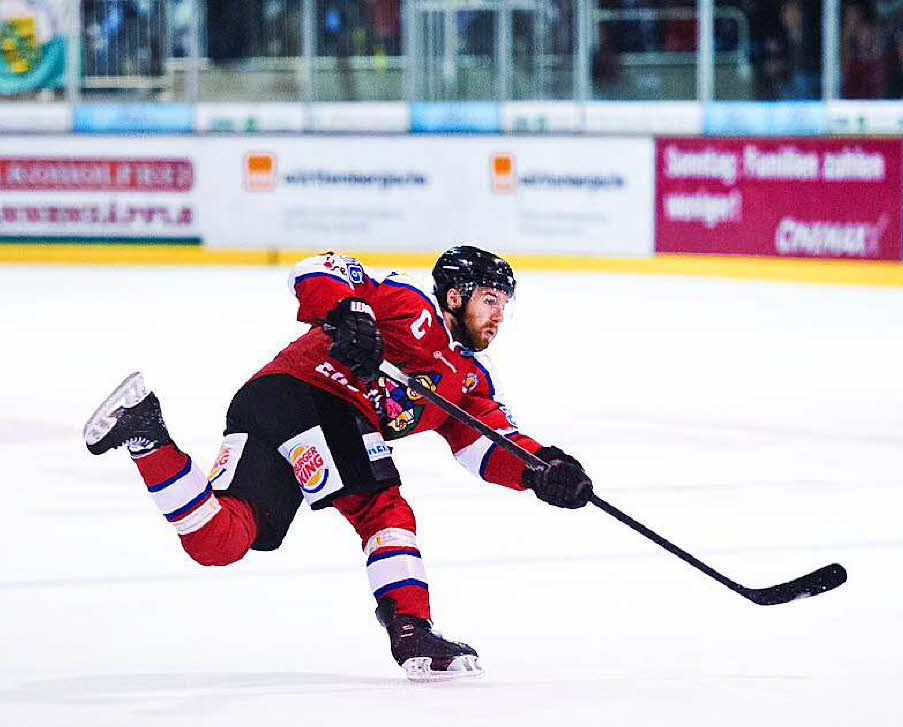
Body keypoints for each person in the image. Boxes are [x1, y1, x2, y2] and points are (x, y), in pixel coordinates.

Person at [82, 246, 594, 682]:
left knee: (220, 539)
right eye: (490, 300)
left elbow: (484, 444)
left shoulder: (467, 382)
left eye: (504, 305)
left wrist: (540, 469)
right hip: (311, 394)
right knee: (380, 507)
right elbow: (316, 268)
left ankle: (145, 433)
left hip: (266, 406)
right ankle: (412, 632)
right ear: (455, 296)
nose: (499, 314)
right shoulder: (409, 305)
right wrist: (350, 312)